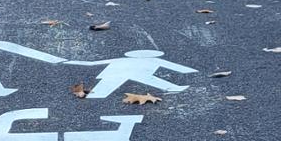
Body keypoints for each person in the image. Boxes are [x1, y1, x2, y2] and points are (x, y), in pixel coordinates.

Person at [67, 50, 197, 99]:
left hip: (114, 74)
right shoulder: (154, 59)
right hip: (122, 74)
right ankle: (172, 87)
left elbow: (92, 63)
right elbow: (180, 68)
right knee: (150, 79)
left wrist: (71, 61)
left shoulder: (122, 60)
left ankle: (172, 87)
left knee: (103, 89)